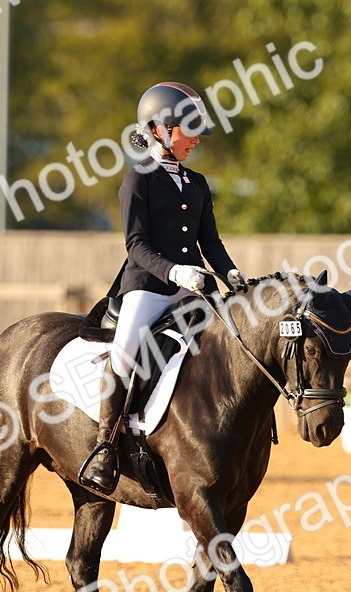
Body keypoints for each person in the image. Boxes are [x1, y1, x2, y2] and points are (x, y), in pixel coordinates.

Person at [79, 82, 240, 495]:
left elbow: (211, 244)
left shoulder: (198, 183)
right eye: (189, 130)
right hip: (149, 286)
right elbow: (136, 245)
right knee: (126, 352)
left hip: (194, 288)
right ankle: (104, 447)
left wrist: (232, 275)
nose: (197, 138)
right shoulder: (138, 181)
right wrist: (176, 273)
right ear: (158, 130)